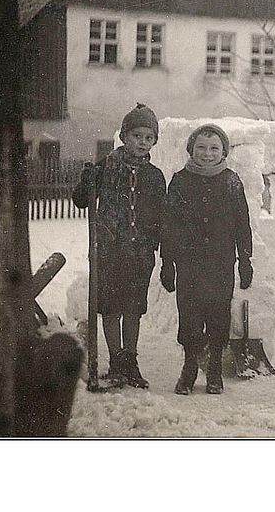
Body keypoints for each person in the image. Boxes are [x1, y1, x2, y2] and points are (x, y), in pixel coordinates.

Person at [72, 103, 166, 389]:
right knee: (111, 308)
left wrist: (157, 244)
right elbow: (80, 200)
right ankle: (115, 361)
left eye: (148, 138)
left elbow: (160, 214)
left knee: (133, 309)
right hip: (109, 251)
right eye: (137, 136)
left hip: (139, 253)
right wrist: (86, 181)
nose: (142, 142)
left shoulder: (154, 176)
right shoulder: (105, 167)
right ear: (125, 136)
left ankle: (130, 361)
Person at [160, 124, 253, 395]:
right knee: (189, 316)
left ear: (223, 151)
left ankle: (214, 369)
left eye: (214, 148)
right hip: (189, 263)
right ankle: (189, 366)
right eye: (201, 147)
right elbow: (169, 224)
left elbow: (242, 225)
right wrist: (167, 262)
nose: (207, 153)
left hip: (220, 262)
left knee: (217, 316)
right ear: (191, 149)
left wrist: (245, 260)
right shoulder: (180, 180)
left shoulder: (231, 181)